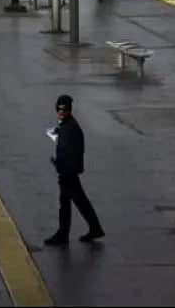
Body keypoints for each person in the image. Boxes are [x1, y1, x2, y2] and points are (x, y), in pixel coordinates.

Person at [44, 95, 104, 246]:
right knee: (76, 201)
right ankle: (93, 228)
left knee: (69, 203)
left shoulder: (70, 127)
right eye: (59, 109)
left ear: (69, 110)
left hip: (68, 172)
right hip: (68, 171)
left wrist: (58, 162)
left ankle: (64, 234)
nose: (61, 112)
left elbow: (68, 150)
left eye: (64, 109)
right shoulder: (67, 125)